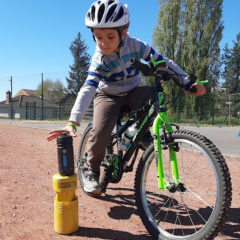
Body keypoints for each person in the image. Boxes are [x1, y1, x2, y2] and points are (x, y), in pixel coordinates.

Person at [47, 0, 206, 195]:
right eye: (98, 37)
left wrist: (186, 83)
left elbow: (163, 62)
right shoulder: (99, 58)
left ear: (123, 33)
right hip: (108, 96)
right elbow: (88, 88)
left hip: (132, 92)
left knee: (156, 93)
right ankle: (91, 170)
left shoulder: (136, 46)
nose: (103, 43)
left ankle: (140, 134)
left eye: (110, 36)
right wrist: (73, 121)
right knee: (101, 130)